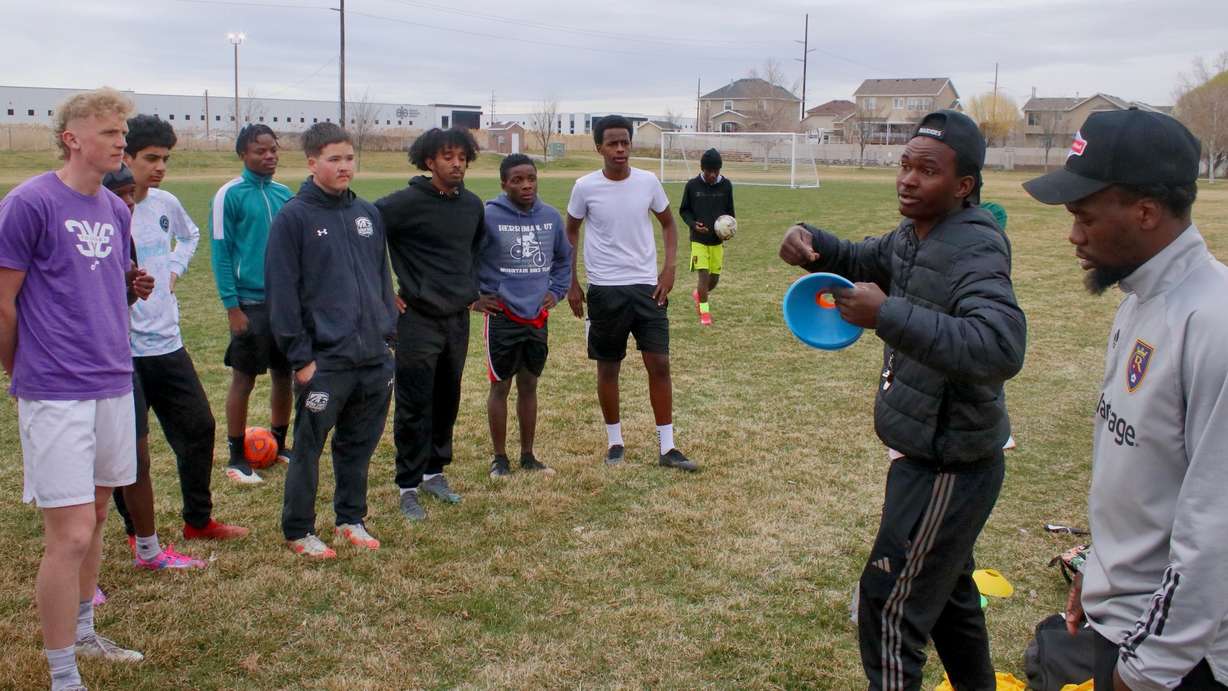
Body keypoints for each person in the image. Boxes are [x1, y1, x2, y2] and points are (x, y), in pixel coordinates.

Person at [779, 109, 1026, 690]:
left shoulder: (975, 247)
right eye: (905, 165)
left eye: (928, 171)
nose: (908, 179)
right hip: (926, 455)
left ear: (963, 186)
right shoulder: (917, 235)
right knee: (949, 599)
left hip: (950, 467)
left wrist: (885, 313)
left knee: (889, 608)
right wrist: (814, 244)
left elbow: (1000, 346)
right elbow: (866, 260)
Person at [1024, 109, 1228, 691]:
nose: (1073, 235)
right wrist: (1097, 569)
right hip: (1126, 622)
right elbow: (1139, 471)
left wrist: (1147, 670)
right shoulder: (1140, 298)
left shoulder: (1214, 323)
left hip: (1179, 659)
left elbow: (1215, 529)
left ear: (1144, 211)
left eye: (1085, 216)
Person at [0, 87, 150, 691]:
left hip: (113, 381)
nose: (121, 142)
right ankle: (62, 673)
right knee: (70, 534)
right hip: (55, 390)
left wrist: (129, 286)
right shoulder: (28, 203)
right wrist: (21, 371)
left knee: (95, 515)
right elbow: (4, 303)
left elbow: (99, 290)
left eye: (123, 132)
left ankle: (86, 630)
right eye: (111, 132)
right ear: (73, 138)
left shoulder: (116, 210)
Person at [111, 115, 249, 571]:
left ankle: (198, 520)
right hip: (120, 351)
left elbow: (189, 237)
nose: (160, 167)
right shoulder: (106, 207)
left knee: (197, 428)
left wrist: (174, 268)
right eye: (150, 158)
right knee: (131, 449)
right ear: (124, 156)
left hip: (166, 342)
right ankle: (138, 535)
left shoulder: (166, 203)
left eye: (165, 158)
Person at [266, 122, 397, 558]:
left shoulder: (366, 214)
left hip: (373, 358)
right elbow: (282, 295)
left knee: (358, 444)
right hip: (326, 361)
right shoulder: (294, 218)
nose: (344, 167)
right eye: (334, 159)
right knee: (308, 447)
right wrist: (302, 359)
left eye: (349, 158)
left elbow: (381, 277)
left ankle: (350, 518)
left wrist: (386, 337)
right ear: (311, 163)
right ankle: (298, 528)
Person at [565, 115, 697, 472]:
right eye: (612, 143)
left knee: (660, 363)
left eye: (625, 142)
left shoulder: (648, 182)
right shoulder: (585, 187)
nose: (620, 149)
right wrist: (571, 281)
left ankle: (668, 447)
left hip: (646, 288)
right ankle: (615, 442)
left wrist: (668, 270)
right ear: (599, 148)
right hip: (605, 290)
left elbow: (669, 224)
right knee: (609, 368)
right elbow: (571, 232)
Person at [376, 127, 484, 521]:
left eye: (462, 157)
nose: (456, 164)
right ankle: (407, 485)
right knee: (414, 403)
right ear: (429, 161)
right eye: (447, 157)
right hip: (417, 319)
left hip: (456, 318)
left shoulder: (472, 205)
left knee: (446, 398)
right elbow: (364, 232)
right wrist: (384, 290)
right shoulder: (403, 204)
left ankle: (434, 472)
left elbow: (473, 251)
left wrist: (471, 290)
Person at [473, 153, 571, 478]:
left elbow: (563, 260)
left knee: (530, 385)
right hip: (502, 315)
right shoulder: (487, 217)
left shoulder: (550, 217)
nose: (526, 185)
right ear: (504, 184)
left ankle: (528, 455)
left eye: (531, 178)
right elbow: (463, 257)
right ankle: (500, 458)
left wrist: (556, 291)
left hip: (537, 317)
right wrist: (474, 298)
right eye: (517, 180)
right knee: (501, 386)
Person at [209, 123, 294, 484]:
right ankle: (236, 454)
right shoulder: (229, 195)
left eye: (273, 149)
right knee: (244, 379)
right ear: (244, 153)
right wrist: (232, 307)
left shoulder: (285, 194)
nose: (269, 155)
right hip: (249, 302)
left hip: (284, 303)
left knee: (284, 375)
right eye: (261, 150)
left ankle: (278, 442)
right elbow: (221, 253)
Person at [678, 148, 735, 326]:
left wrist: (729, 230)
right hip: (698, 240)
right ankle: (705, 313)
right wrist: (694, 225)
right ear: (702, 168)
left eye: (715, 171)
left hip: (716, 241)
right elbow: (684, 211)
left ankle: (699, 294)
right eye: (708, 171)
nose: (712, 175)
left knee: (714, 279)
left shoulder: (726, 186)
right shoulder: (692, 186)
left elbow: (730, 213)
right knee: (703, 276)